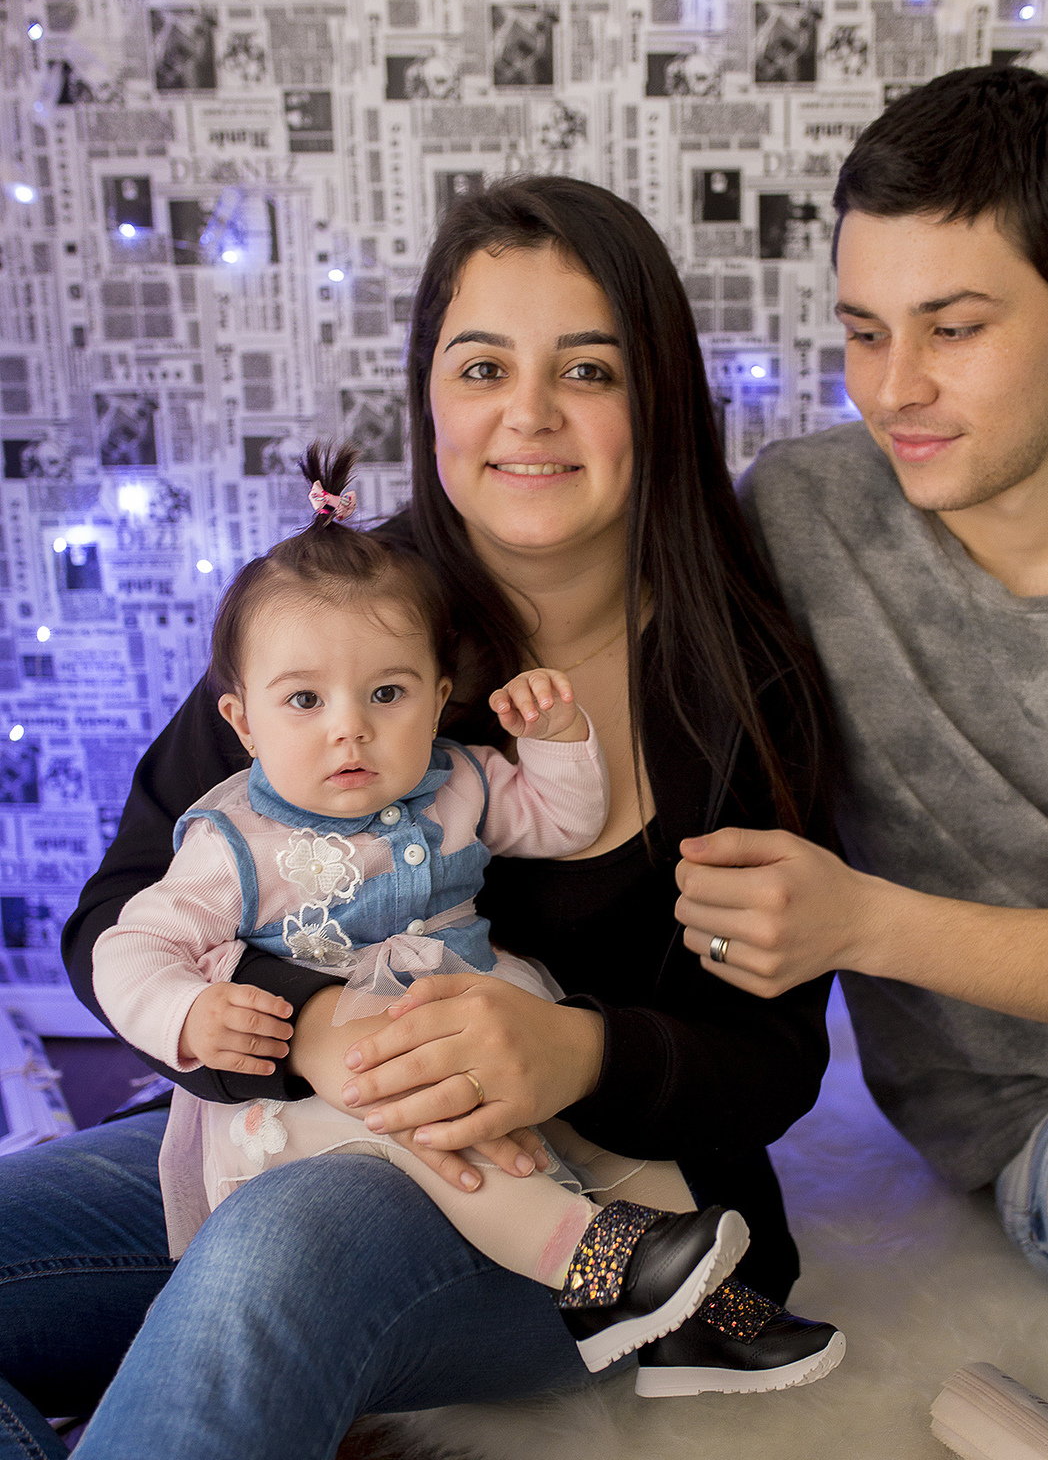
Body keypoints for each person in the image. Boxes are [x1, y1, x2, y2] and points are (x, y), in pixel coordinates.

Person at [0, 176, 838, 1460]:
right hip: (294, 1119)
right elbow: (119, 920)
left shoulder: (736, 677)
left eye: (587, 368)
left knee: (271, 1261)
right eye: (481, 368)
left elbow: (773, 1065)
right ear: (428, 396)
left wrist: (575, 1047)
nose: (529, 415)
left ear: (653, 399)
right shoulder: (339, 621)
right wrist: (304, 1022)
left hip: (575, 1207)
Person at [678, 64, 1048, 1359]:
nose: (892, 386)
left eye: (952, 328)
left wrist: (863, 921)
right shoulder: (801, 518)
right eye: (864, 330)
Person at [91, 443, 764, 1380]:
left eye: (387, 694)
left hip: (488, 1023)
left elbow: (563, 824)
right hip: (349, 1091)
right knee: (464, 1148)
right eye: (304, 700)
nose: (349, 728)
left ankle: (697, 1291)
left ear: (440, 698)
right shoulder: (235, 841)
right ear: (242, 723)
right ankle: (595, 1266)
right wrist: (192, 1014)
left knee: (595, 1128)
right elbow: (129, 946)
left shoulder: (456, 779)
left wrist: (559, 742)